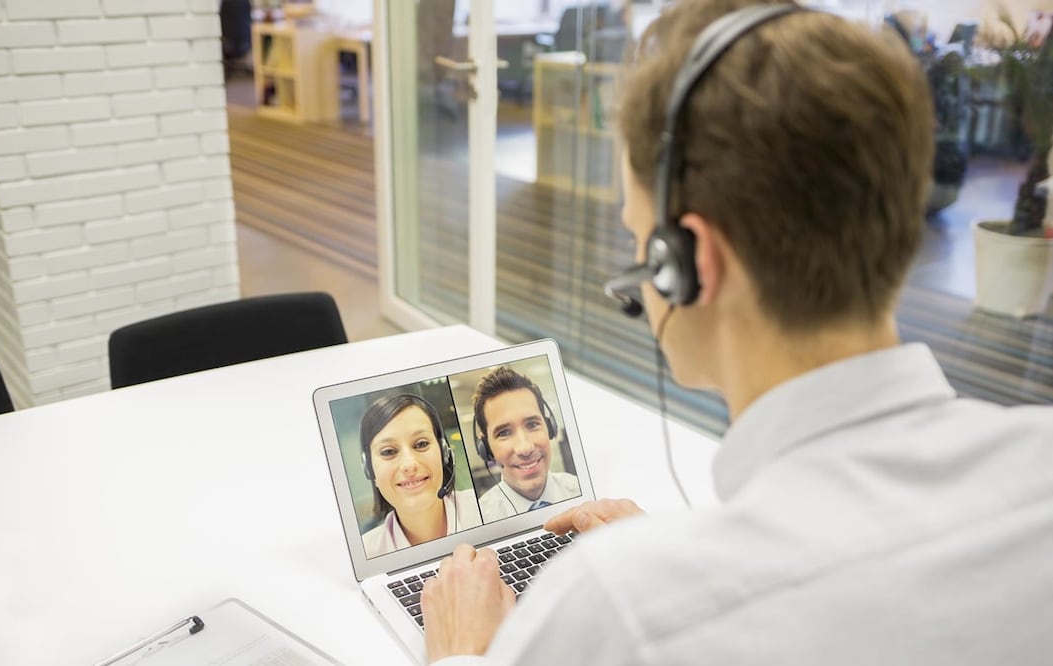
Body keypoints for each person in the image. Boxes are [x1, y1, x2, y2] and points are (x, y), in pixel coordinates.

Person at [419, 1, 1053, 664]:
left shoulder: (615, 611)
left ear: (688, 264)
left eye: (637, 240)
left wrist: (463, 650)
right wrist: (688, 563)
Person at [359, 393, 482, 558]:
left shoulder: (487, 509)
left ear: (444, 453)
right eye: (388, 451)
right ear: (369, 469)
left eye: (421, 444)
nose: (409, 465)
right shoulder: (366, 554)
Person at [472, 366, 581, 520]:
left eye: (532, 424)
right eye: (504, 433)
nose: (525, 448)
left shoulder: (582, 493)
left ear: (550, 427)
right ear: (486, 447)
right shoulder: (479, 519)